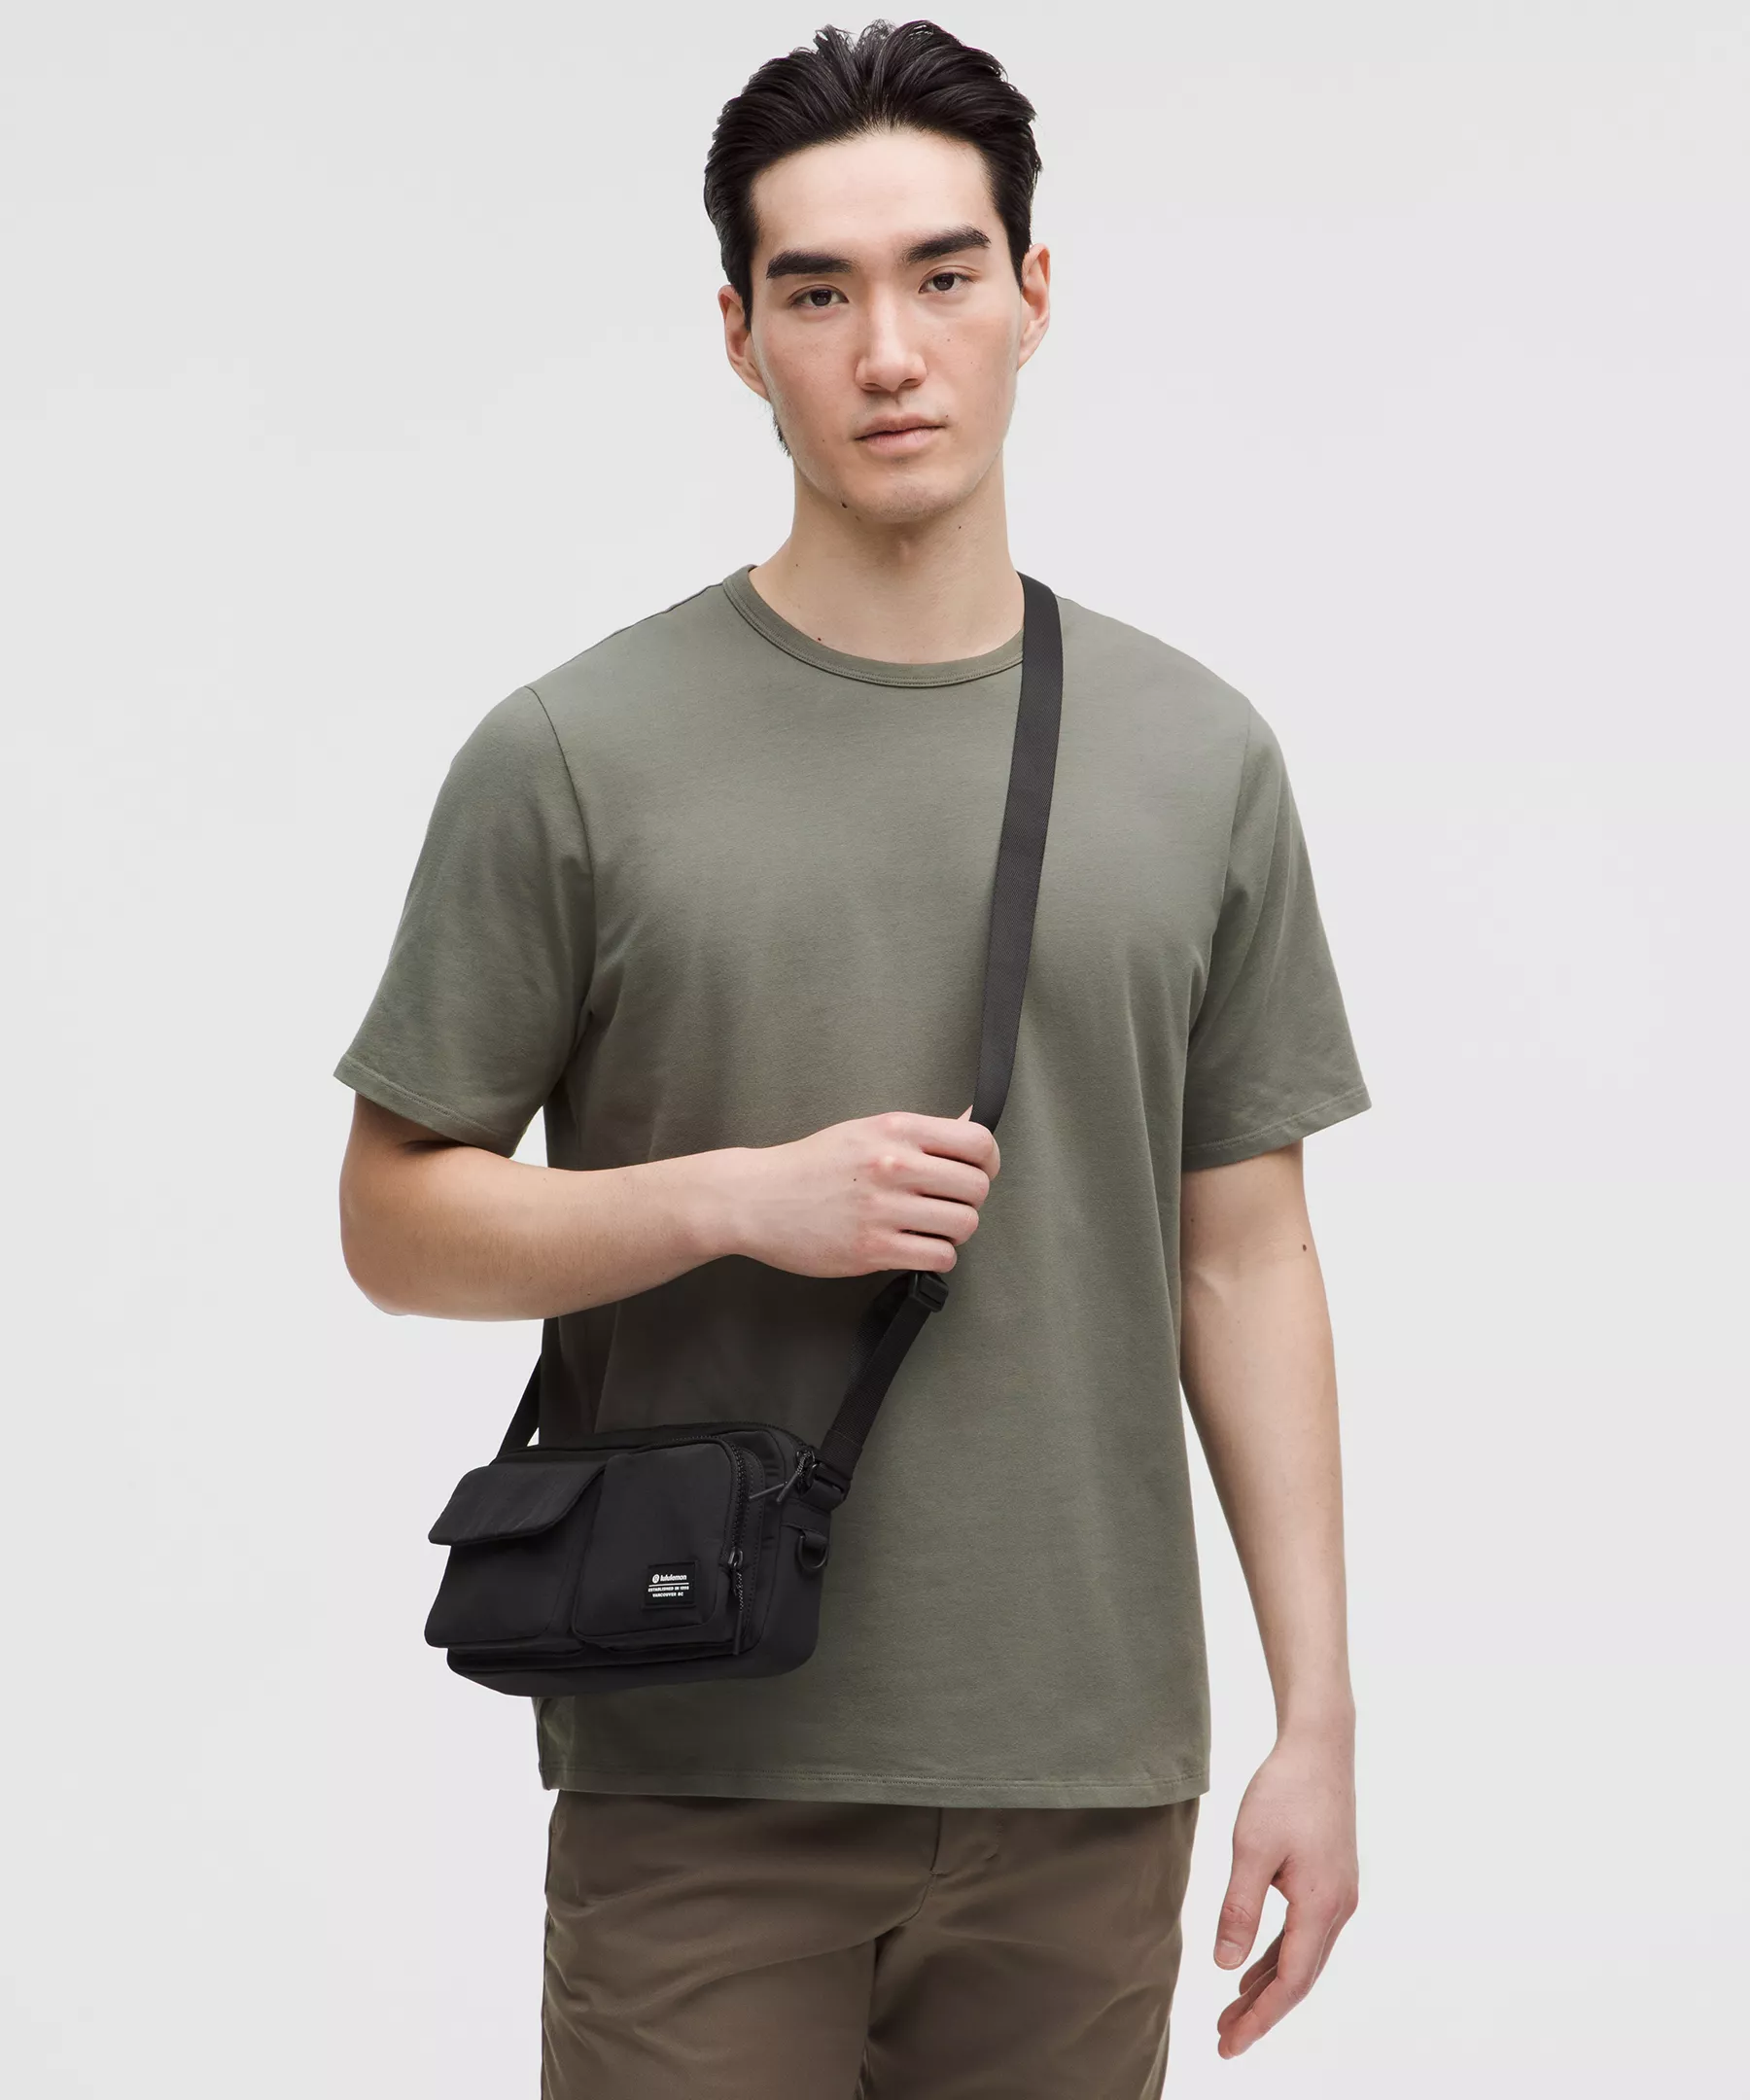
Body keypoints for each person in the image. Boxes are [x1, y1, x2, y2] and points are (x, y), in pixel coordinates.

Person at [334, 19, 1370, 2096]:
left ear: (1032, 295)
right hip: (701, 1766)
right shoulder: (575, 755)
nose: (889, 350)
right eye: (817, 294)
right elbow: (395, 1221)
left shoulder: (1197, 757)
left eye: (942, 275)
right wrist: (737, 1199)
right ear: (739, 335)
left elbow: (1244, 1254)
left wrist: (1316, 1721)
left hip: (1089, 1777)